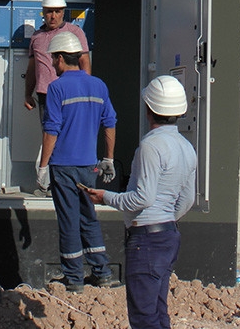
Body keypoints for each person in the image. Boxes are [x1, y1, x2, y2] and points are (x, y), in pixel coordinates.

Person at [84, 75, 197, 329]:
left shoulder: (151, 146)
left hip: (146, 239)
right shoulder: (186, 147)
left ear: (149, 109)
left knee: (144, 316)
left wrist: (105, 196)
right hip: (168, 235)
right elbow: (187, 199)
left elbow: (143, 198)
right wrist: (166, 220)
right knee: (157, 311)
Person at [38, 31, 117, 293]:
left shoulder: (57, 88)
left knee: (69, 221)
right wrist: (108, 158)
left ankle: (73, 279)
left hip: (63, 166)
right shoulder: (98, 86)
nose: (52, 63)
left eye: (53, 58)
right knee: (88, 217)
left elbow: (51, 130)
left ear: (61, 58)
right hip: (88, 166)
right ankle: (102, 273)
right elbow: (109, 123)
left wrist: (43, 166)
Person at [24, 0, 91, 196]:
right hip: (45, 96)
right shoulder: (37, 37)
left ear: (63, 12)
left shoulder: (75, 32)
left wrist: (85, 90)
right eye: (49, 11)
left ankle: (67, 184)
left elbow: (85, 62)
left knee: (68, 137)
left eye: (57, 11)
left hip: (71, 95)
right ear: (43, 12)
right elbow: (32, 68)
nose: (53, 16)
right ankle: (48, 184)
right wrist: (27, 93)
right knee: (49, 137)